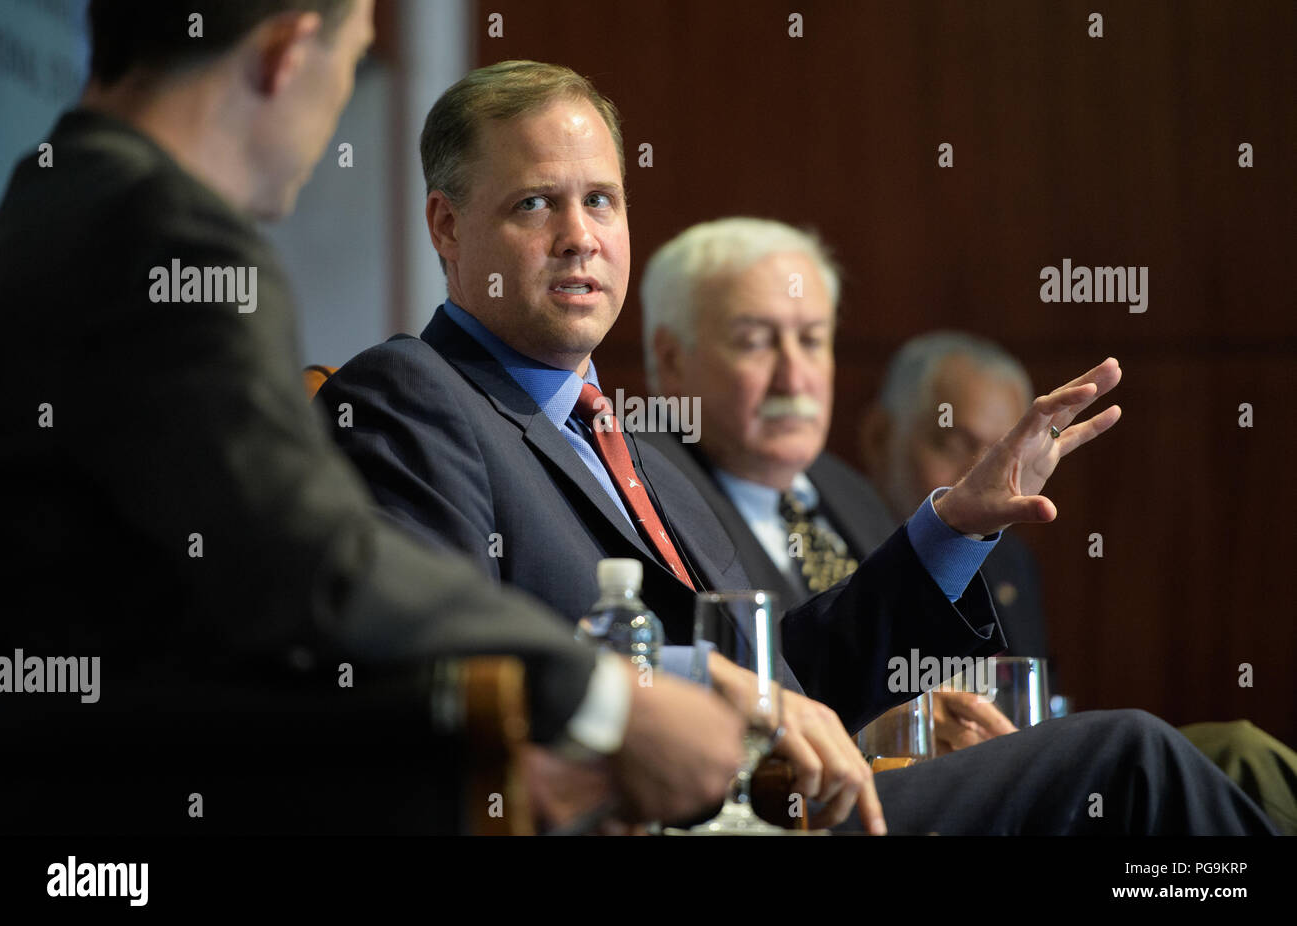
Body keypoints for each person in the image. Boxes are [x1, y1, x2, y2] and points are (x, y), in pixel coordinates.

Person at [319, 65, 1273, 833]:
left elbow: (791, 669)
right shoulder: (415, 397)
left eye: (602, 201)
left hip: (784, 805)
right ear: (448, 227)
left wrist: (952, 526)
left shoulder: (627, 439)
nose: (581, 239)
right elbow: (441, 667)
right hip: (672, 819)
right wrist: (709, 687)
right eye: (535, 205)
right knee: (1131, 763)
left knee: (1212, 772)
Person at [0, 1, 746, 836]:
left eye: (603, 199)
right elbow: (311, 566)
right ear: (288, 53)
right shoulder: (167, 237)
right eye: (352, 61)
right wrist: (605, 701)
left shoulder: (55, 193)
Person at [639, 216, 1287, 833]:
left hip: (976, 764)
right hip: (827, 803)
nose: (794, 375)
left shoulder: (846, 490)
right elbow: (707, 695)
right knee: (1139, 757)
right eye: (756, 340)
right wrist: (892, 719)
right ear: (671, 362)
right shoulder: (651, 501)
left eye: (811, 338)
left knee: (1242, 755)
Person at [858, 329, 1297, 834]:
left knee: (1240, 751)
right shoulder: (842, 543)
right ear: (878, 436)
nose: (980, 476)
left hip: (1021, 774)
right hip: (925, 791)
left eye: (1002, 455)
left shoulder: (1009, 563)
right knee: (1140, 747)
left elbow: (1037, 706)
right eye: (954, 443)